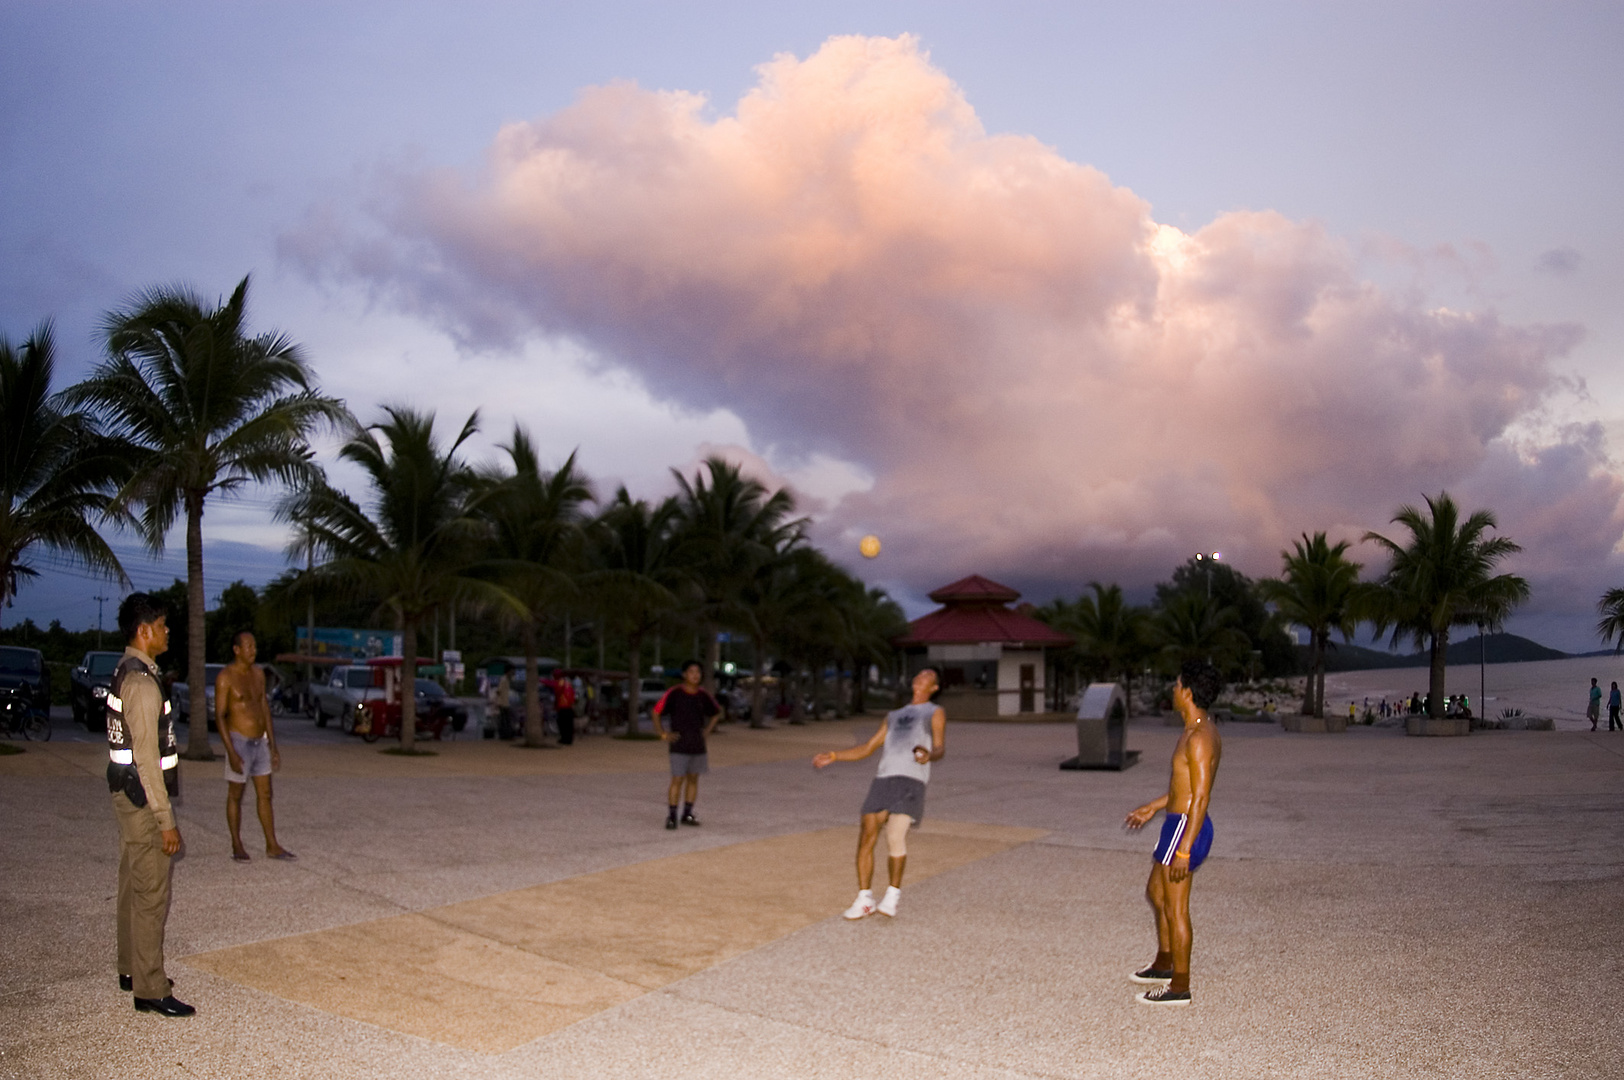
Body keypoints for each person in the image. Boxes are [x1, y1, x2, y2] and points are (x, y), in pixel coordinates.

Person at [105, 593, 195, 1017]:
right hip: (142, 800)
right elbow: (146, 759)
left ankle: (131, 969)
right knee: (150, 893)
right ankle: (150, 988)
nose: (167, 631)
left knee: (130, 883)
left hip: (125, 793)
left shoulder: (127, 670)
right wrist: (166, 821)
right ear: (144, 631)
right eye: (162, 625)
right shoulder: (141, 683)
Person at [1124, 658, 1224, 1007]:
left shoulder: (1199, 738)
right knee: (1157, 892)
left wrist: (1184, 849)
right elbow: (1184, 789)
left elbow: (1200, 797)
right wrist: (1153, 806)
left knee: (1177, 908)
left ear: (1189, 692)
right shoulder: (1195, 729)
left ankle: (1179, 986)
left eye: (1177, 684)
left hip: (1185, 826)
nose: (1173, 688)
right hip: (1177, 822)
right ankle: (1164, 964)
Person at [812, 667, 947, 920]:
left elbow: (940, 748)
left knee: (895, 835)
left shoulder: (934, 712)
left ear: (934, 687)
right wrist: (834, 756)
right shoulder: (894, 715)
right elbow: (868, 747)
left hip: (911, 780)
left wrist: (929, 755)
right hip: (883, 778)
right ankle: (864, 899)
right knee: (866, 836)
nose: (921, 676)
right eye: (919, 674)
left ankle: (892, 896)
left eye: (928, 675)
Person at [215, 631, 293, 862]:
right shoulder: (226, 677)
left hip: (260, 743)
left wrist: (273, 745)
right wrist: (230, 751)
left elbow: (264, 708)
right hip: (238, 741)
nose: (253, 650)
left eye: (254, 646)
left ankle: (272, 844)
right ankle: (236, 844)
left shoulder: (259, 675)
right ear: (236, 649)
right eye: (248, 646)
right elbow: (220, 716)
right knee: (236, 794)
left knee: (266, 793)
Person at [651, 660, 721, 828]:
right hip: (679, 744)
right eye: (691, 672)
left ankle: (687, 813)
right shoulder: (674, 693)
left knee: (693, 779)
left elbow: (716, 713)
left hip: (697, 744)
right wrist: (663, 734)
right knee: (677, 779)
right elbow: (656, 712)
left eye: (698, 672)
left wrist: (707, 731)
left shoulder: (703, 695)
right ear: (684, 675)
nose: (695, 675)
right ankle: (672, 815)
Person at [551, 669, 577, 745]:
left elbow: (556, 691)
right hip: (569, 707)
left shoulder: (560, 683)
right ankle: (568, 739)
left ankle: (565, 739)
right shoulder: (568, 683)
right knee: (568, 725)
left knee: (563, 724)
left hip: (563, 707)